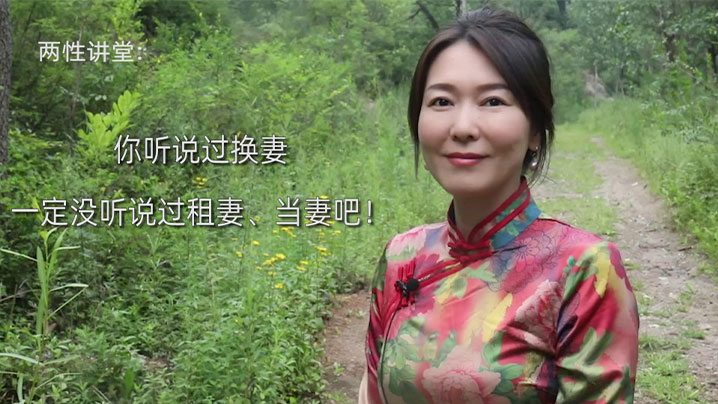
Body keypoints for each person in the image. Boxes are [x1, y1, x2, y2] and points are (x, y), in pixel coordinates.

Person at [358, 7, 639, 404]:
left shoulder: (584, 270)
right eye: (441, 101)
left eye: (492, 101)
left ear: (536, 130)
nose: (462, 127)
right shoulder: (402, 257)